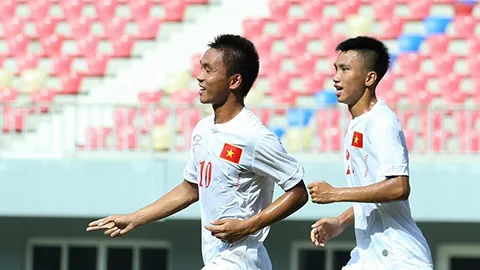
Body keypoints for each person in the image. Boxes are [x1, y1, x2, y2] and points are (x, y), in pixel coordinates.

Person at [86, 34, 308, 270]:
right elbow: (190, 189)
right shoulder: (203, 130)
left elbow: (298, 192)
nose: (199, 77)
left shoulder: (254, 136)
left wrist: (249, 226)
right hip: (217, 257)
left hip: (240, 258)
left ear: (234, 81)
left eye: (208, 70)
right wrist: (135, 218)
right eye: (201, 68)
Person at [307, 36, 433, 269]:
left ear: (370, 78)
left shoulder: (382, 122)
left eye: (345, 69)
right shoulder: (359, 122)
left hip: (398, 257)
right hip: (369, 255)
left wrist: (335, 194)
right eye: (336, 69)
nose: (336, 77)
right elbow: (376, 193)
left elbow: (399, 187)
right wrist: (341, 221)